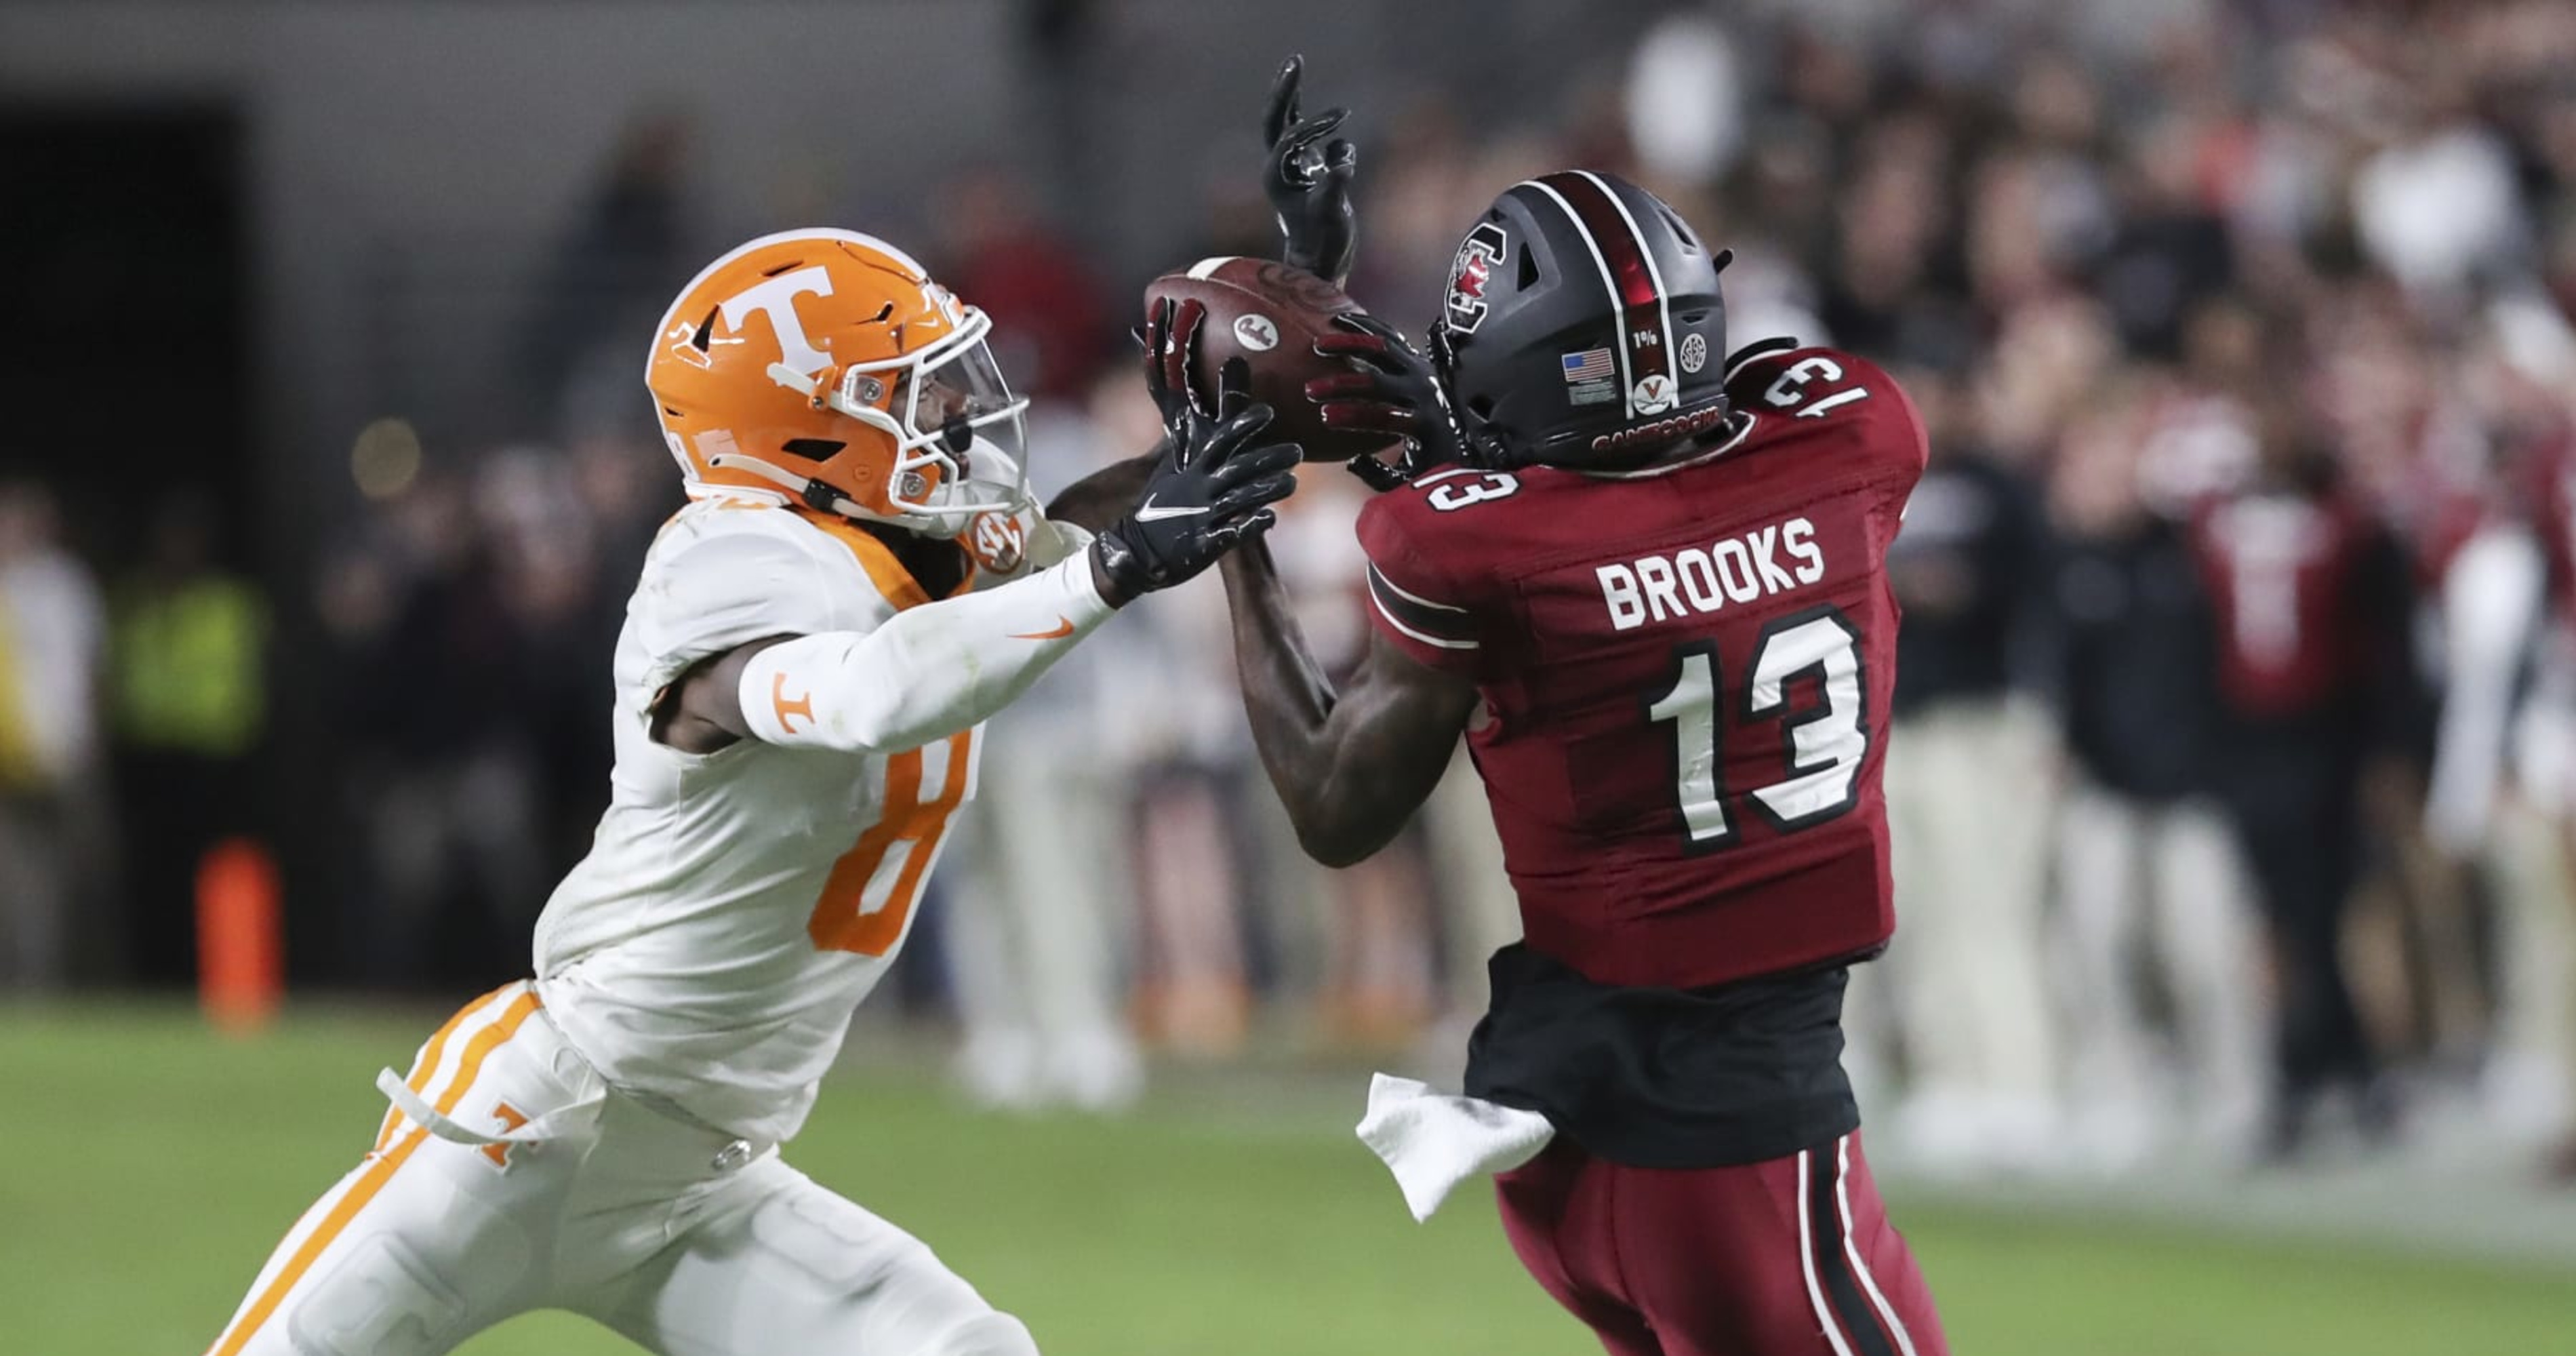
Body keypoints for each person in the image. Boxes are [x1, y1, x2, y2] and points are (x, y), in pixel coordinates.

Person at [203, 226, 1297, 1356]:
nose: (955, 421)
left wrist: (1248, 393)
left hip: (699, 1178)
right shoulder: (728, 566)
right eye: (905, 396)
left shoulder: (901, 540)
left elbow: (1067, 537)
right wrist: (1114, 571)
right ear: (804, 429)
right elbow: (871, 690)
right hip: (538, 1126)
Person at [1213, 77, 1946, 1354]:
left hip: (1586, 1128)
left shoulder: (1481, 545)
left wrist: (1242, 523)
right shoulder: (1853, 438)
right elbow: (1655, 449)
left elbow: (1338, 806)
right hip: (1738, 1130)